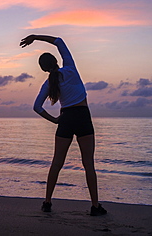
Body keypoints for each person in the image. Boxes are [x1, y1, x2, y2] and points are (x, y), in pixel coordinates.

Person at [20, 34, 107, 216]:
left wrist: (55, 120)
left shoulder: (49, 83)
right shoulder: (71, 70)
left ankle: (47, 202)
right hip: (83, 117)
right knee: (88, 164)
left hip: (65, 119)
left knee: (56, 163)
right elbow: (59, 41)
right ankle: (95, 206)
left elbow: (37, 107)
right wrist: (35, 37)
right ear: (57, 61)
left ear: (44, 69)